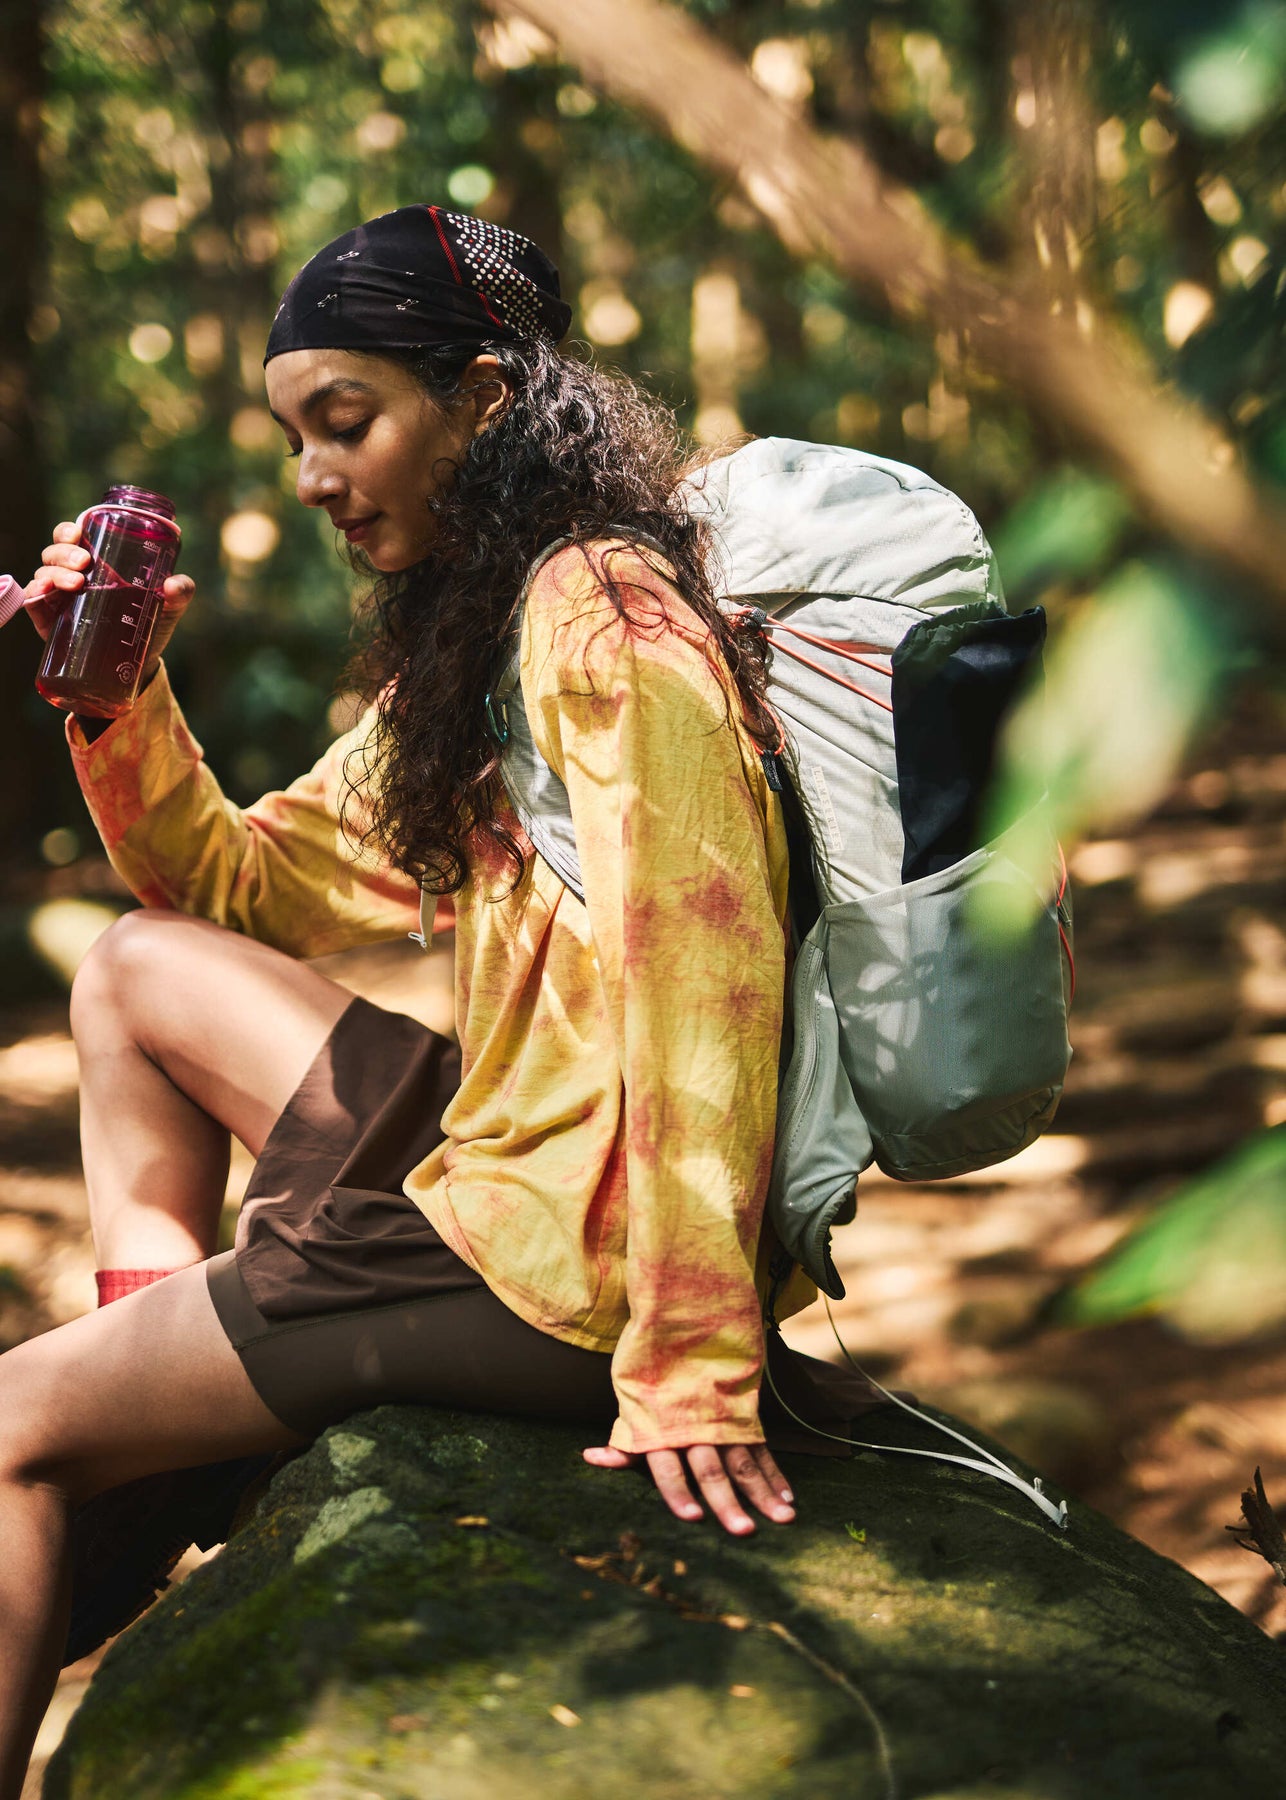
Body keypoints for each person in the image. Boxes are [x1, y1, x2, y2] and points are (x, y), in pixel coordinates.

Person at [1, 205, 885, 1795]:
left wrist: (692, 1359)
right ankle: (166, 1420)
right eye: (295, 437)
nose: (311, 476)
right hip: (511, 1161)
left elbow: (707, 973)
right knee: (134, 969)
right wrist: (118, 692)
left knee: (7, 1429)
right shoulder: (491, 633)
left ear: (483, 399)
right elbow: (238, 887)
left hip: (569, 1256)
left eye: (345, 423)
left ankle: (128, 1439)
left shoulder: (603, 619)